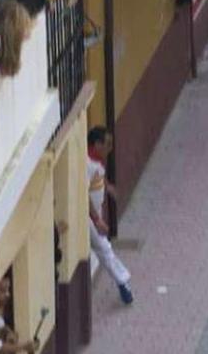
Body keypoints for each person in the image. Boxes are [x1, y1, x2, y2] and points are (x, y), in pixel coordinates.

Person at [87, 127, 134, 305]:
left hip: (95, 213)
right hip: (90, 217)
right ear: (97, 144)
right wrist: (96, 220)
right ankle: (123, 283)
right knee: (103, 248)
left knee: (102, 247)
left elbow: (99, 178)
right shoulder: (87, 164)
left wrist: (108, 187)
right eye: (107, 144)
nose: (110, 148)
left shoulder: (97, 162)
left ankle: (123, 282)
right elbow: (84, 194)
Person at [0, 276, 40, 353]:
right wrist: (23, 347)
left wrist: (8, 332)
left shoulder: (0, 306)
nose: (8, 294)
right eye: (3, 291)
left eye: (8, 290)